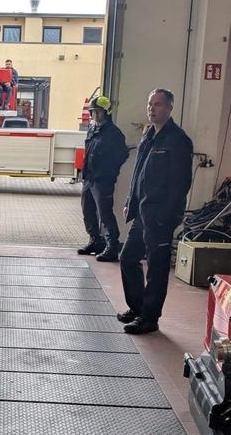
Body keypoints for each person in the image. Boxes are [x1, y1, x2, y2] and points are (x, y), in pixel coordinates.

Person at [118, 88, 193, 334]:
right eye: (150, 104)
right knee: (128, 257)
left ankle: (150, 318)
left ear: (170, 108)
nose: (152, 109)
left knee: (157, 268)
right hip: (142, 213)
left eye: (158, 104)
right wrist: (130, 200)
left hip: (160, 216)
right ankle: (137, 307)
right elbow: (138, 173)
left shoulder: (178, 140)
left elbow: (181, 184)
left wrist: (165, 216)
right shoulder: (148, 135)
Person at [77, 96, 129, 261]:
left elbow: (123, 154)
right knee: (88, 212)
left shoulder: (114, 134)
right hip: (89, 179)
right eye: (93, 112)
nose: (95, 115)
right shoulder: (93, 129)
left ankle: (112, 247)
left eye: (98, 112)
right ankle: (95, 241)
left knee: (105, 214)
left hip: (102, 181)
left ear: (106, 113)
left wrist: (109, 172)